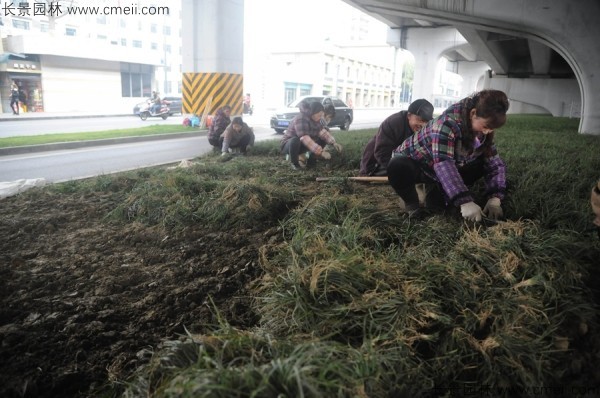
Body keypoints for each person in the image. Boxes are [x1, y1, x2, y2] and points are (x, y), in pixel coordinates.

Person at [387, 89, 510, 222]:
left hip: (440, 170)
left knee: (438, 207)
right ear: (473, 113)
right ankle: (412, 204)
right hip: (418, 164)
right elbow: (444, 165)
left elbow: (494, 163)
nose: (487, 131)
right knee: (397, 165)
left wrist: (495, 198)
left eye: (491, 128)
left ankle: (435, 189)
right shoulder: (445, 124)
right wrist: (464, 201)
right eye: (486, 126)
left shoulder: (483, 131)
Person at [359, 99, 434, 176]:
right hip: (377, 164)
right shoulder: (393, 123)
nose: (422, 125)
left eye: (426, 121)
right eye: (419, 120)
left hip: (402, 160)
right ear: (409, 116)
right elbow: (381, 153)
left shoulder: (428, 128)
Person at [280, 101, 343, 170]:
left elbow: (322, 132)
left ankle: (311, 161)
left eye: (321, 115)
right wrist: (321, 152)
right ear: (313, 112)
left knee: (322, 139)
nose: (320, 117)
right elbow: (304, 137)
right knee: (295, 140)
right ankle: (295, 163)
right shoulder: (301, 118)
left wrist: (334, 143)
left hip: (302, 144)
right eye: (319, 115)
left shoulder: (315, 119)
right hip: (289, 145)